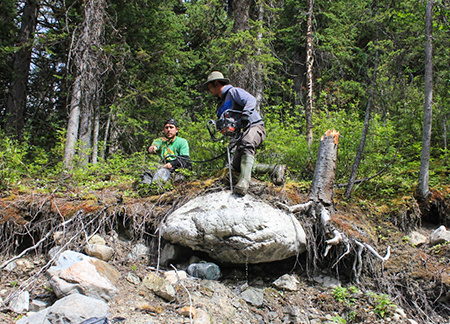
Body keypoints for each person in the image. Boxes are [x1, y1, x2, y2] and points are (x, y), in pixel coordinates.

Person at [203, 71, 285, 195]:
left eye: (210, 87)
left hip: (253, 126)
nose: (209, 91)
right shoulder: (220, 106)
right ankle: (274, 169)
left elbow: (251, 100)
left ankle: (243, 183)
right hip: (239, 134)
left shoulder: (233, 92)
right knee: (236, 166)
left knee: (247, 143)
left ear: (216, 83)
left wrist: (245, 116)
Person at [143, 118, 190, 184]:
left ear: (176, 130)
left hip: (176, 166)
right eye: (166, 128)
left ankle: (177, 183)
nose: (169, 130)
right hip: (163, 165)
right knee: (149, 169)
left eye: (171, 127)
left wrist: (171, 164)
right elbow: (154, 146)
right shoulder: (160, 141)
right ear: (163, 130)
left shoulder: (182, 142)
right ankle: (146, 187)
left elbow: (185, 159)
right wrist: (152, 148)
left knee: (186, 165)